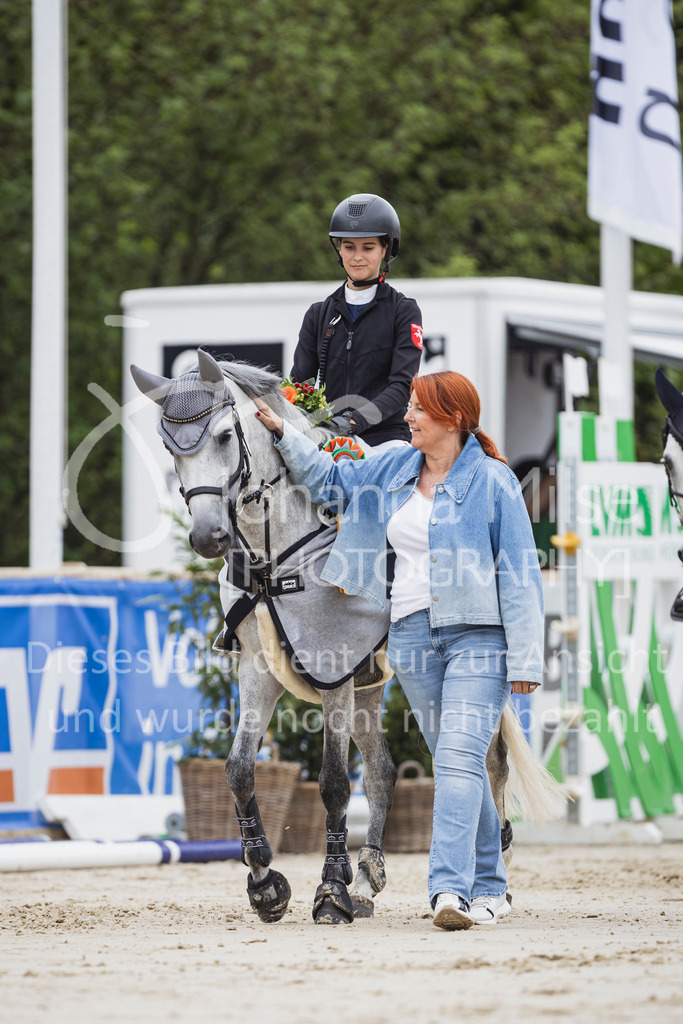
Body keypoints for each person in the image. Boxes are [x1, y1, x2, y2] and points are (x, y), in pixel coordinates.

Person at [253, 370, 544, 930]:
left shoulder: (495, 482)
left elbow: (521, 573)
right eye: (409, 407)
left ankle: (449, 891)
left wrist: (525, 658)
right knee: (461, 765)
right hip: (411, 637)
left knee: (458, 760)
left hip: (479, 637)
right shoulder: (391, 466)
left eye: (417, 410)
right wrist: (283, 433)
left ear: (453, 419)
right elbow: (329, 481)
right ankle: (493, 887)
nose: (406, 417)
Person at [290, 192, 423, 449]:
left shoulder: (403, 311)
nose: (357, 257)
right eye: (349, 247)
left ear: (386, 249)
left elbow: (401, 387)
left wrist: (354, 421)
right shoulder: (318, 315)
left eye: (368, 247)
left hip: (386, 440)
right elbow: (299, 386)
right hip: (328, 438)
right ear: (339, 249)